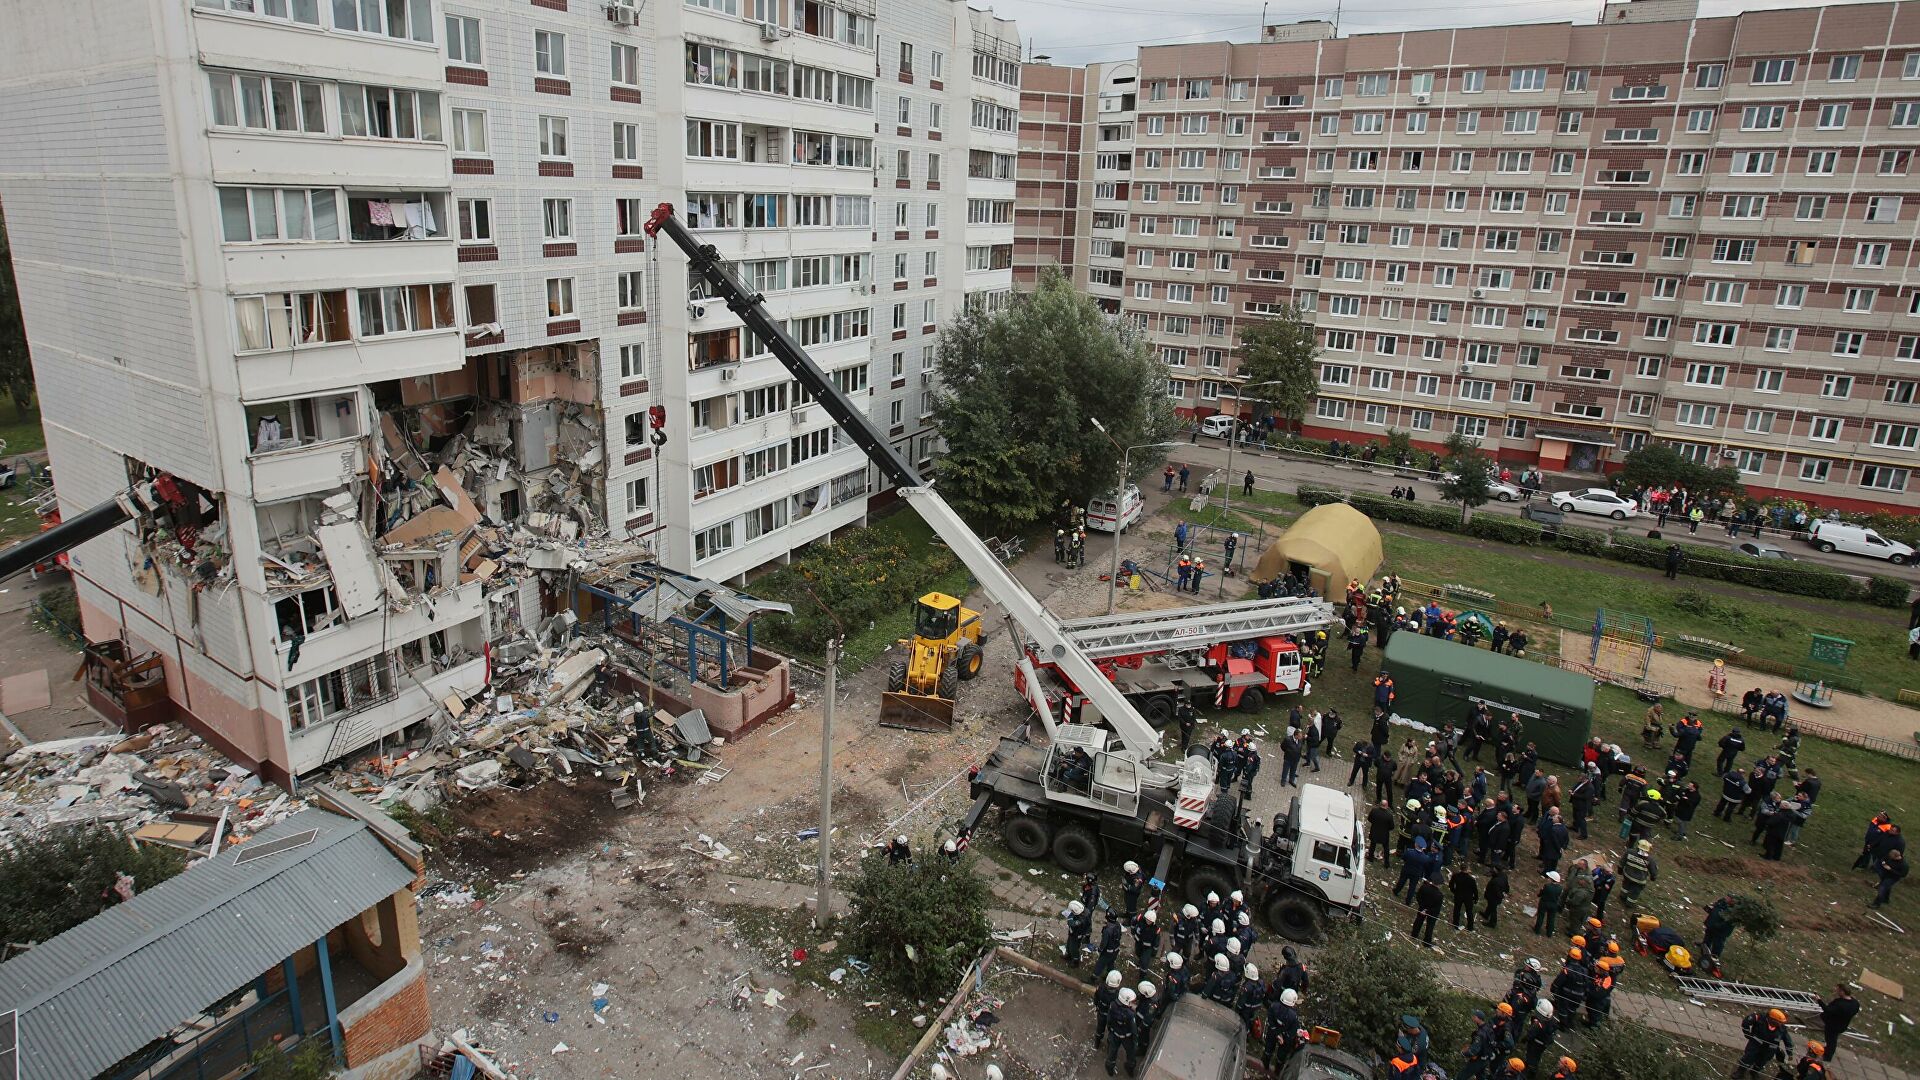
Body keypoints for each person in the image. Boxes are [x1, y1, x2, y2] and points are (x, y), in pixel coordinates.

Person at [1735, 1008, 1793, 1078]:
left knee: (1762, 1061)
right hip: (1755, 1045)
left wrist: (1790, 1052)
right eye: (1779, 1022)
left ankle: (1754, 1071)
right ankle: (1740, 1071)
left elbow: (1787, 1040)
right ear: (1772, 1019)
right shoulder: (1760, 1019)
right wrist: (1747, 1033)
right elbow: (1746, 1022)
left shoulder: (1782, 1029)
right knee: (1748, 1058)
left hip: (1770, 1049)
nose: (1781, 1024)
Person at [1262, 988, 1303, 1072]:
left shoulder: (1274, 1006)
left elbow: (1270, 1019)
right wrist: (1284, 1038)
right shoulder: (1293, 1016)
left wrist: (1276, 1033)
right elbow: (1292, 1031)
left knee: (1268, 1049)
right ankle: (1277, 1071)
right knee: (1281, 1055)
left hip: (1273, 1031)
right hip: (1284, 1036)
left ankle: (1264, 1066)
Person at [1104, 986, 1140, 1077]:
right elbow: (1134, 1030)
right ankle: (1129, 1068)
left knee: (1112, 1053)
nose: (1133, 1003)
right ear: (1126, 1001)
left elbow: (1109, 1019)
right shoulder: (1130, 1015)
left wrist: (1110, 1030)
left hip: (1114, 1034)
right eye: (1132, 1001)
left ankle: (1110, 1068)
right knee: (1131, 1054)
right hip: (1126, 1038)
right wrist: (1135, 1042)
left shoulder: (1113, 1005)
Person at [1817, 985, 1857, 1062]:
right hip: (1842, 1025)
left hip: (1832, 1026)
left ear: (1842, 992)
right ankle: (1828, 1051)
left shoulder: (1840, 1004)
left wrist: (1819, 1000)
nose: (1836, 991)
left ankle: (1827, 1056)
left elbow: (1827, 1010)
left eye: (1838, 990)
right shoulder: (1855, 1003)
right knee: (1832, 1040)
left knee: (1831, 1041)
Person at [1620, 839, 1657, 911]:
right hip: (1639, 881)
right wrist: (1653, 877)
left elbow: (1622, 862)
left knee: (1625, 886)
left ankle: (1622, 896)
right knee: (1634, 893)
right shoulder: (1650, 860)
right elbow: (1653, 872)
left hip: (1627, 875)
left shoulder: (1629, 852)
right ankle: (1629, 904)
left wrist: (1620, 870)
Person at [1092, 969, 1122, 1049]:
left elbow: (1096, 998)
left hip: (1101, 1013)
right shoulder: (1118, 995)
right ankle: (1110, 1045)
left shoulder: (1101, 988)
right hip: (1112, 1017)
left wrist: (1097, 1005)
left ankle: (1097, 1043)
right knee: (1112, 1031)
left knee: (1100, 1028)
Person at [1413, 875, 1444, 946]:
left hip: (1422, 907)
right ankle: (1427, 941)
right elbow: (1437, 908)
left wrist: (1422, 907)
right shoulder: (1439, 895)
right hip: (1432, 912)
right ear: (1439, 884)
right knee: (1430, 926)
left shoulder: (1424, 887)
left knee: (1418, 920)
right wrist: (1427, 911)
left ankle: (1414, 934)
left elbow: (1418, 897)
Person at [1533, 871, 1564, 936]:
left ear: (1551, 879)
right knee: (1551, 919)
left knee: (1541, 916)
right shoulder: (1560, 888)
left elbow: (1541, 893)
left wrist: (1539, 894)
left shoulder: (1547, 886)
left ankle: (1537, 930)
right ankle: (1549, 933)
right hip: (1554, 905)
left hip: (1544, 903)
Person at [1450, 864, 1481, 931]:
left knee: (1456, 910)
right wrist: (1476, 898)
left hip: (1458, 895)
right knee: (1469, 911)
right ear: (1467, 870)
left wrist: (1454, 891)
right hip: (1468, 897)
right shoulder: (1471, 879)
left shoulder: (1455, 876)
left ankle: (1455, 924)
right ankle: (1470, 927)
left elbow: (1451, 885)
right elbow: (1475, 890)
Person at [1095, 912, 1123, 981]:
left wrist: (1100, 949)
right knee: (1111, 963)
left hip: (1108, 952)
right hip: (1116, 949)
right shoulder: (1118, 925)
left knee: (1100, 964)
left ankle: (1094, 978)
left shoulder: (1107, 930)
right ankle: (1109, 976)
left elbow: (1104, 942)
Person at [1064, 900, 1091, 966]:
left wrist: (1070, 919)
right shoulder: (1084, 911)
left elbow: (1071, 923)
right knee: (1069, 943)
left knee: (1074, 948)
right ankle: (1068, 955)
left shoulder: (1081, 920)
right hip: (1073, 932)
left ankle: (1075, 961)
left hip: (1077, 934)